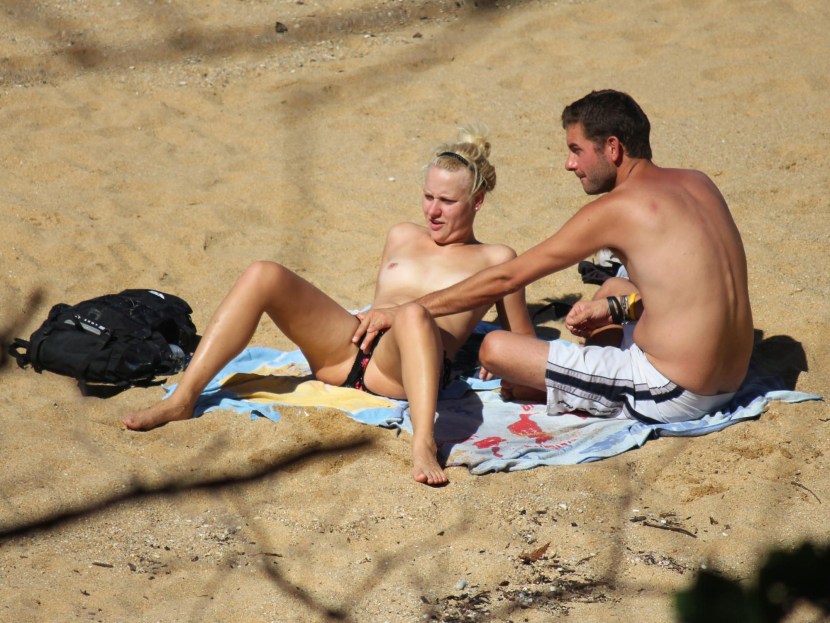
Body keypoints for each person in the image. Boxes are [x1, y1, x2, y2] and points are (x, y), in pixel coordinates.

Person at [123, 126, 535, 486]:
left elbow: (523, 342)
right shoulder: (402, 234)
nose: (432, 211)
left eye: (447, 201)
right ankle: (184, 398)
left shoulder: (497, 259)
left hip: (401, 374)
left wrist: (494, 354)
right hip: (346, 351)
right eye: (427, 196)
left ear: (477, 200)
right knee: (264, 273)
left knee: (412, 312)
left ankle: (423, 440)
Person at [354, 90, 754, 424]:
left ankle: (554, 387)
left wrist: (404, 311)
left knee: (496, 349)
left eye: (576, 150)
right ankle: (596, 353)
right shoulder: (698, 183)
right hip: (729, 378)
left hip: (673, 392)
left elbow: (506, 279)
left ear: (612, 148)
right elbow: (688, 290)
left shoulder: (618, 208)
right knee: (614, 285)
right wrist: (616, 306)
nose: (569, 164)